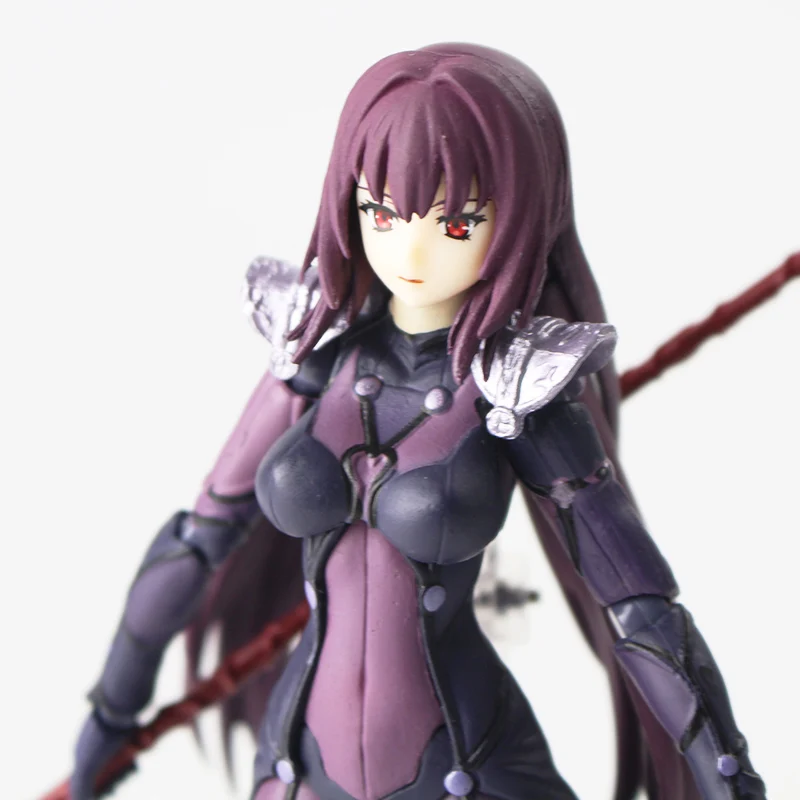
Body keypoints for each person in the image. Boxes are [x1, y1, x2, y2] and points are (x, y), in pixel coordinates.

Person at [71, 43, 766, 800]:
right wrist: (110, 712)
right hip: (298, 765)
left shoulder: (515, 392)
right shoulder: (315, 360)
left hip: (469, 767)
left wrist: (727, 776)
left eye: (457, 224)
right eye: (380, 211)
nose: (409, 249)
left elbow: (641, 610)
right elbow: (197, 540)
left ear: (520, 216)